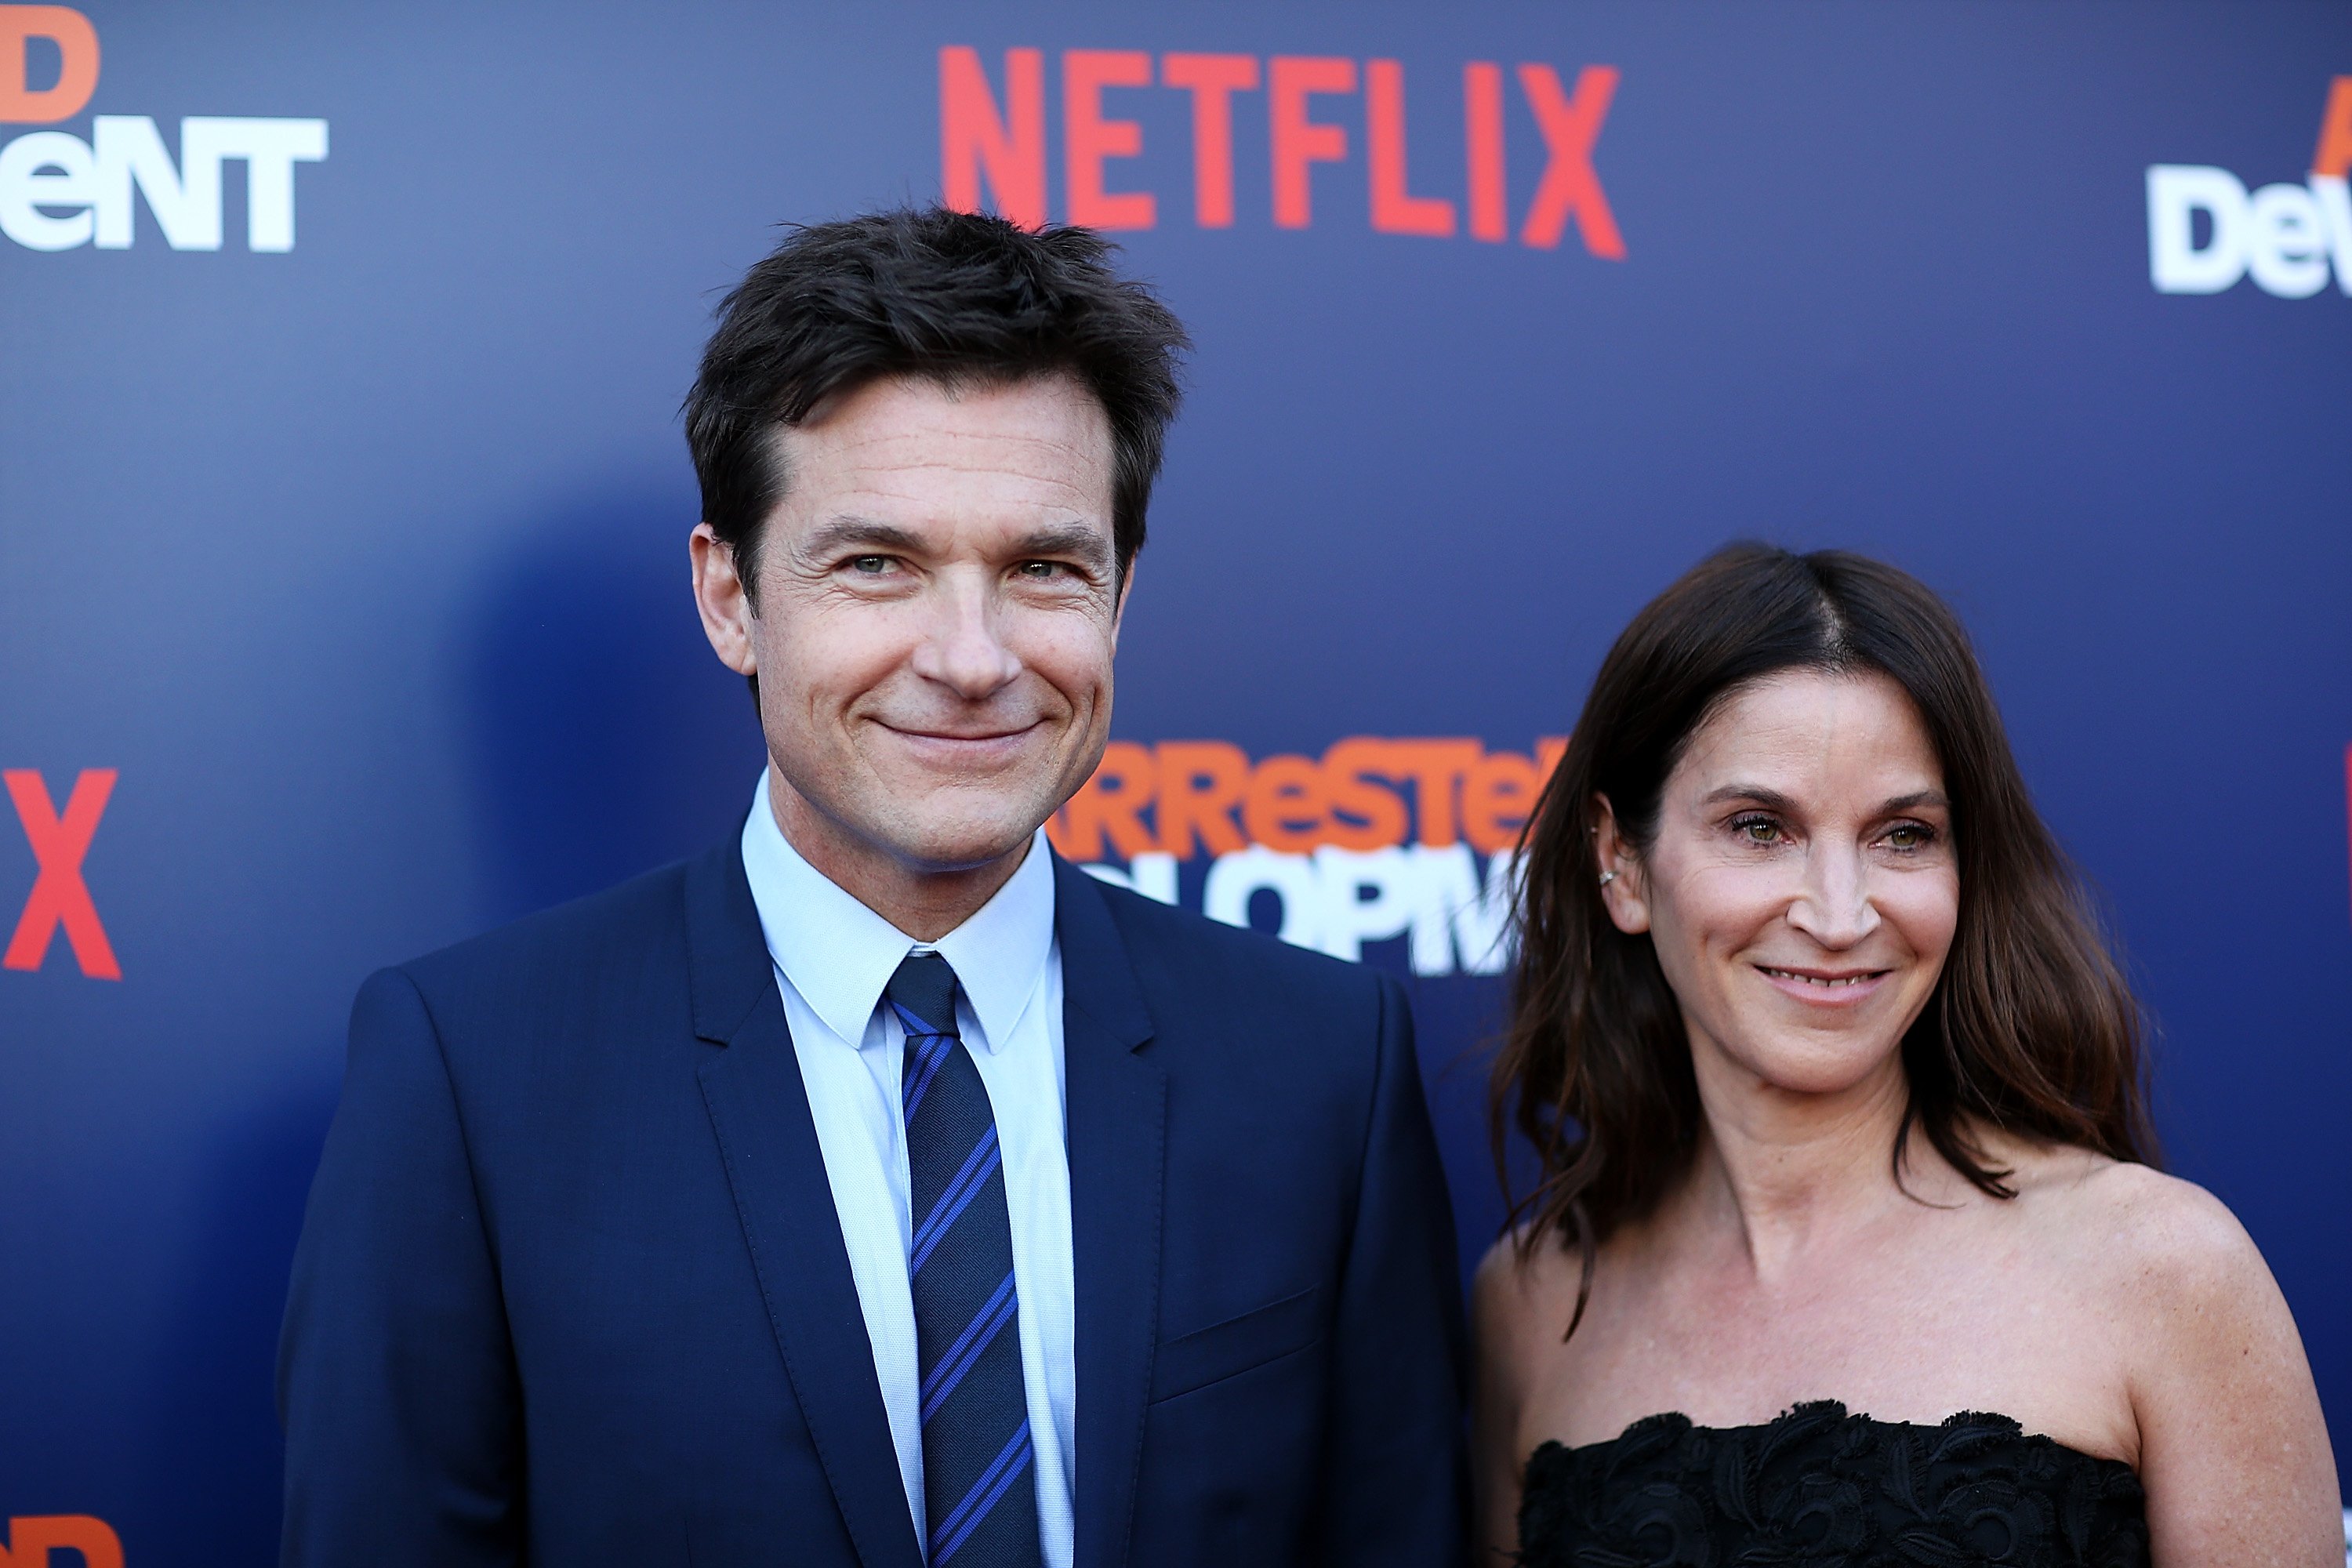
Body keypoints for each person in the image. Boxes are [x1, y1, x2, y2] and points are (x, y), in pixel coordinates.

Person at [278, 208, 1467, 1567]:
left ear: (1121, 596)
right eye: (876, 565)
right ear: (730, 597)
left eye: (1042, 569)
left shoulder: (1319, 1060)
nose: (971, 657)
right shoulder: (474, 1075)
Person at [1472, 544, 2342, 1566]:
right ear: (1621, 864)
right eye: (1760, 827)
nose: (1840, 916)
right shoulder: (1531, 1307)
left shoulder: (2163, 1271)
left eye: (1904, 835)